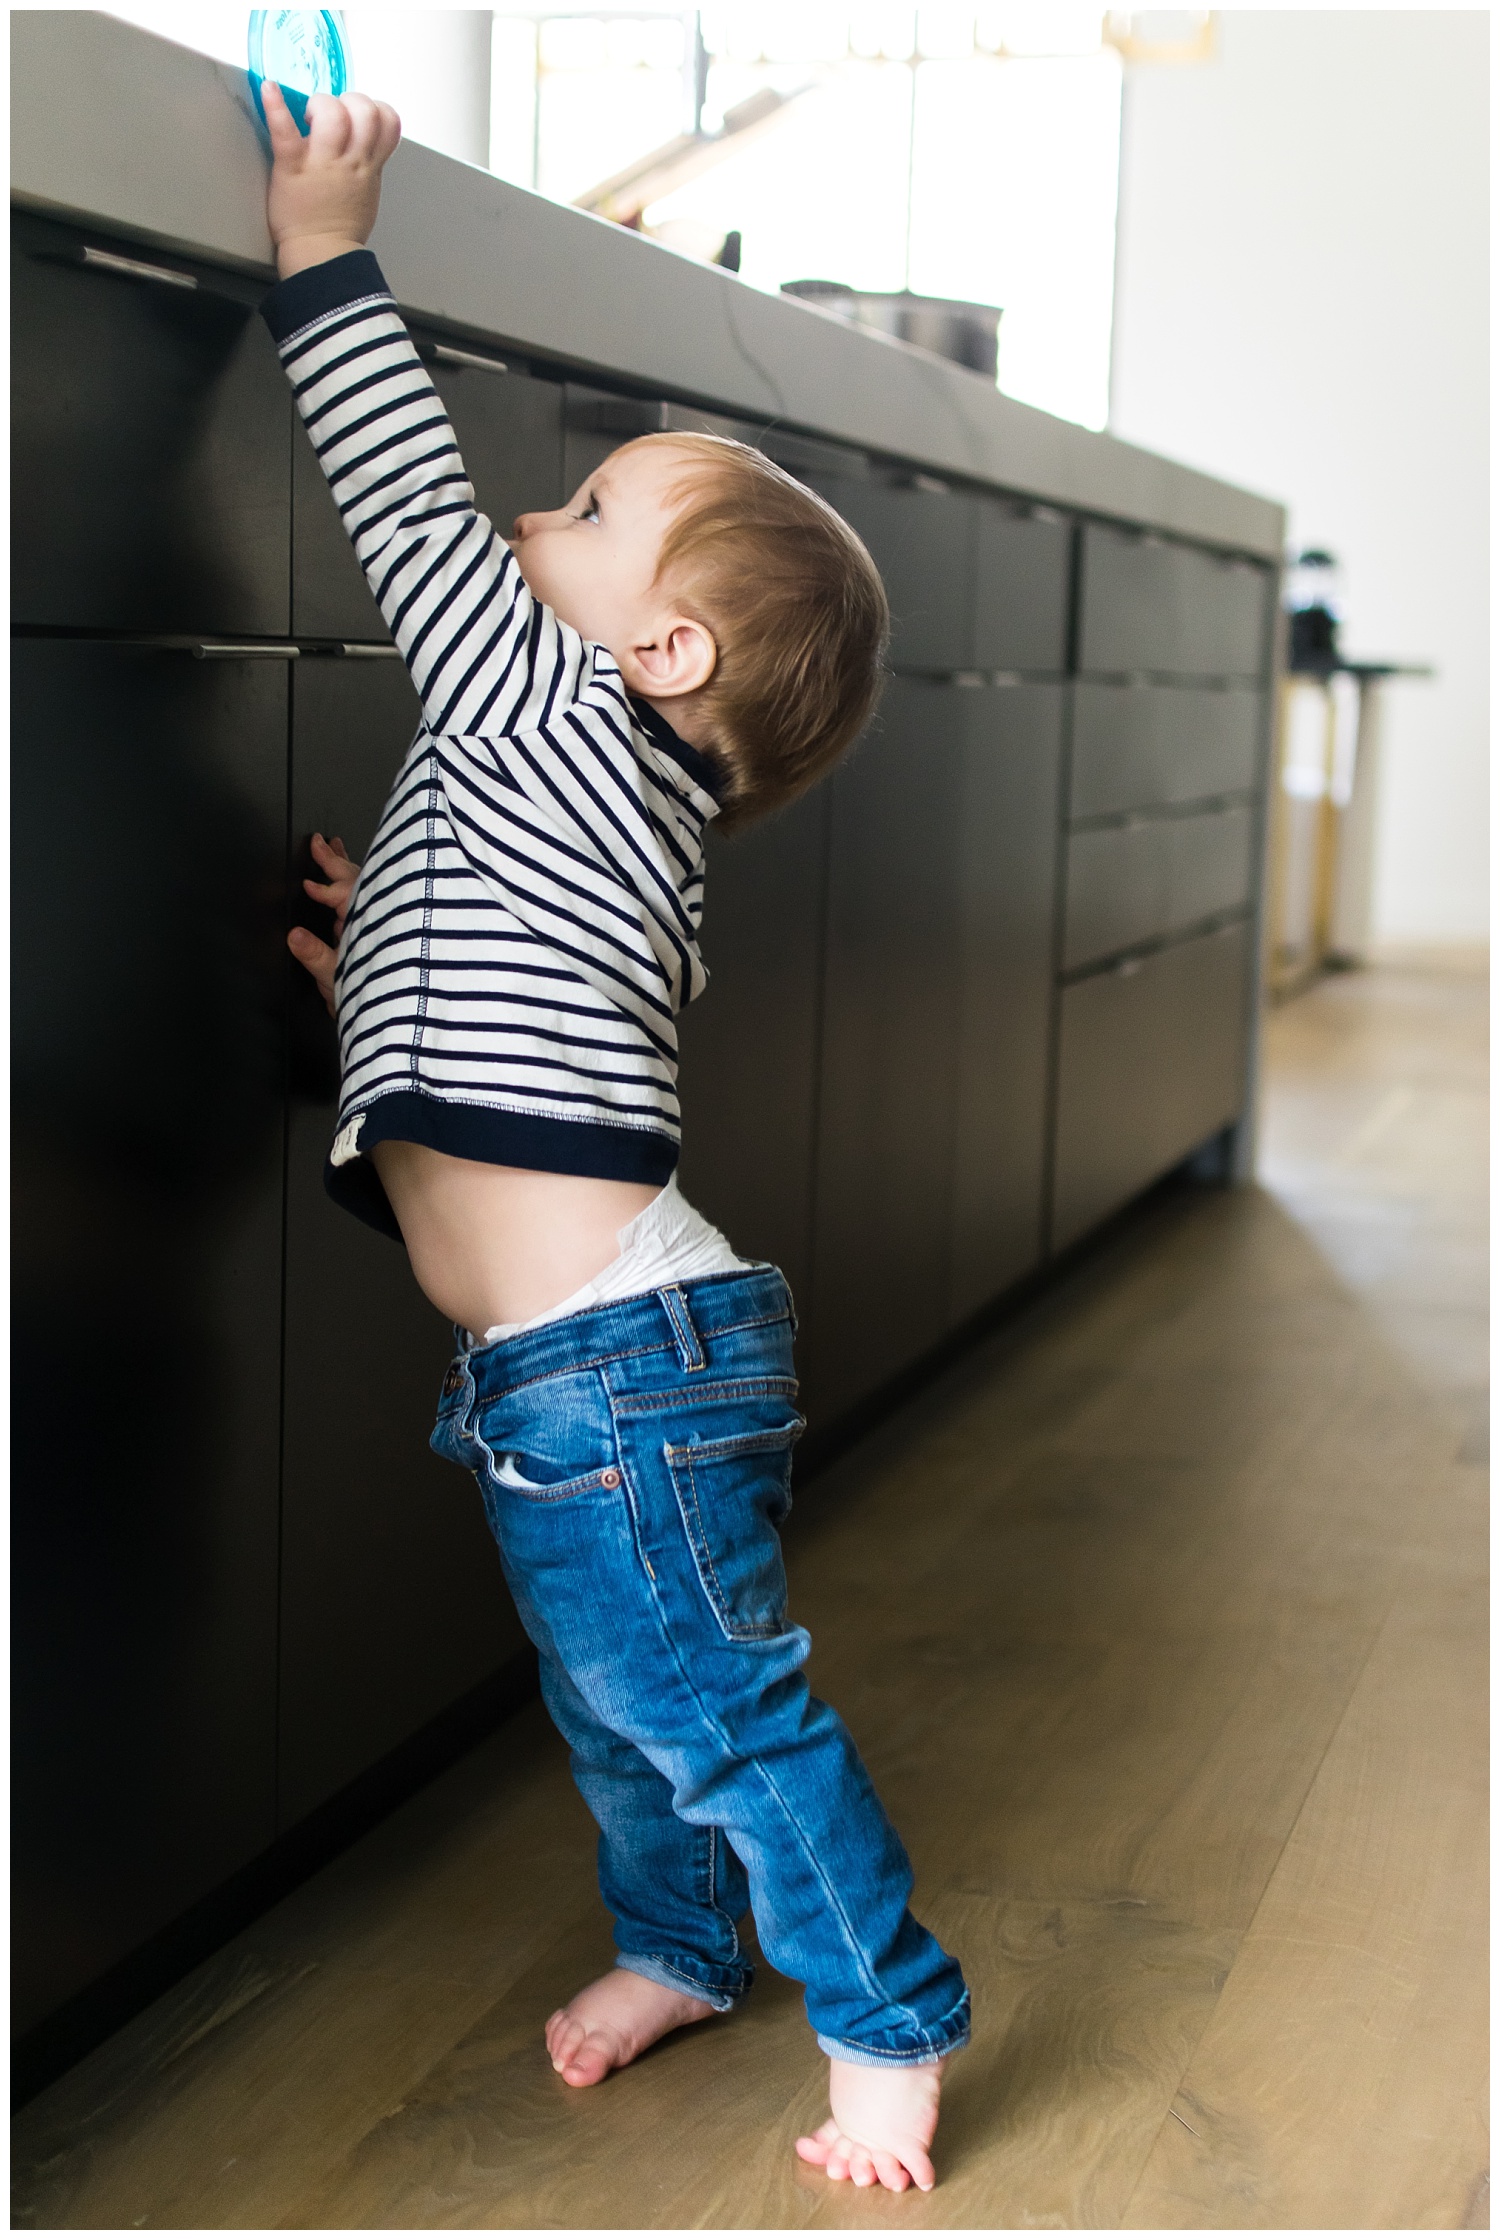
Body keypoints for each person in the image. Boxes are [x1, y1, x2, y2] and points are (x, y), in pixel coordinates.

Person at [260, 81, 969, 2194]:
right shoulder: (594, 783)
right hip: (582, 1372)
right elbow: (521, 1004)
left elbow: (397, 493)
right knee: (628, 1715)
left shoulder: (545, 711)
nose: (517, 527)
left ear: (652, 650)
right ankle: (681, 1949)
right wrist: (363, 965)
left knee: (722, 1720)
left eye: (573, 518)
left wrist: (325, 245)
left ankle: (891, 2031)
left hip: (612, 1378)